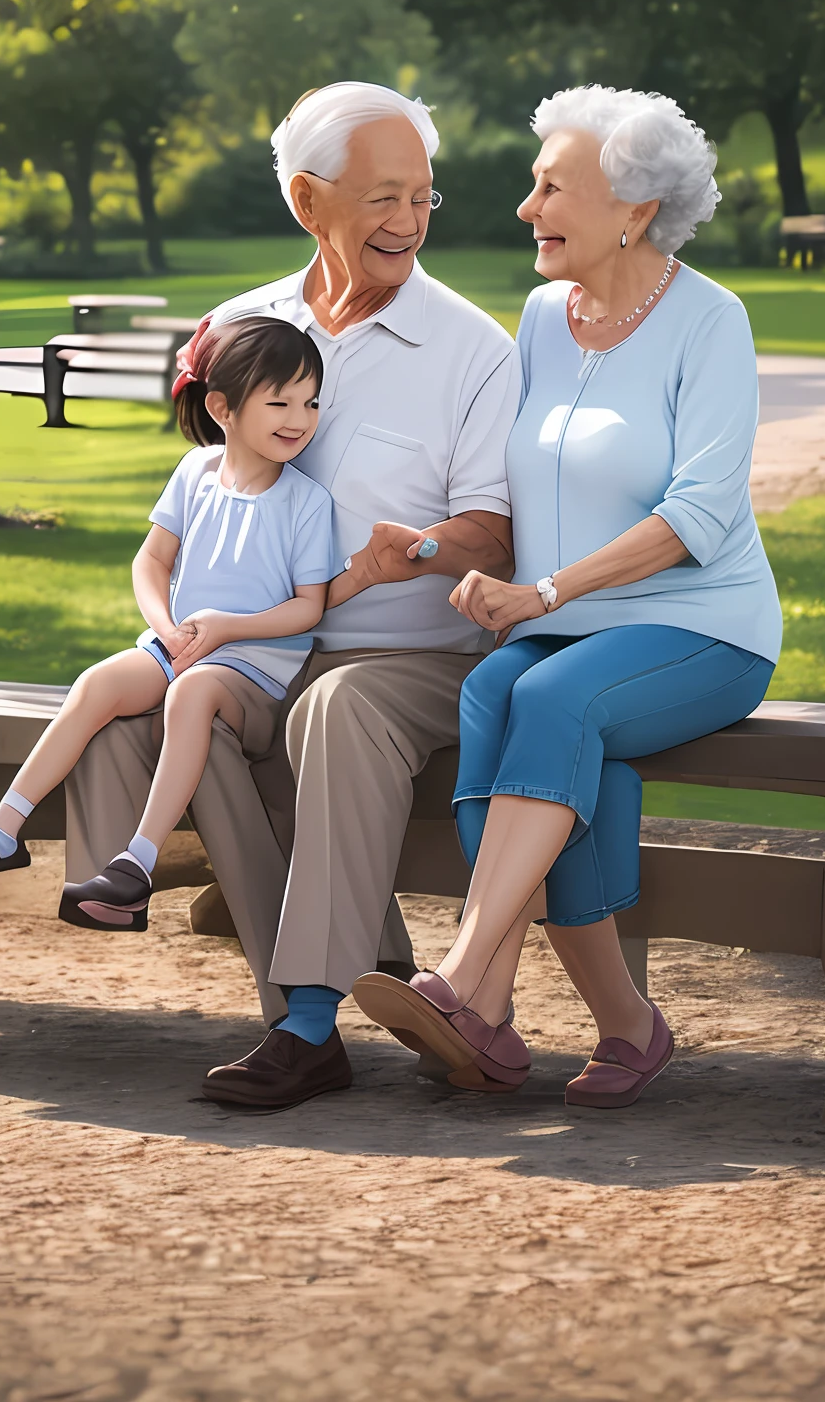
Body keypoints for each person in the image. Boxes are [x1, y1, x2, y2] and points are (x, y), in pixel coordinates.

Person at [64, 81, 521, 1109]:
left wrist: (419, 547)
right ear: (310, 202)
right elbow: (198, 498)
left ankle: (314, 1014)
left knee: (333, 705)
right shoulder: (238, 326)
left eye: (425, 198)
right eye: (383, 198)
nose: (408, 223)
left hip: (411, 657)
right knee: (181, 705)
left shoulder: (474, 350)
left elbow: (494, 530)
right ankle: (328, 992)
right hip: (267, 642)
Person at [353, 84, 781, 1109]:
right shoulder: (547, 316)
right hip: (572, 631)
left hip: (701, 627)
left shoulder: (711, 322)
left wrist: (547, 588)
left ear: (633, 208)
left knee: (552, 701)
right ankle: (618, 1023)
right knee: (497, 695)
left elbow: (699, 514)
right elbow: (528, 477)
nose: (524, 205)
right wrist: (431, 545)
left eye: (551, 185)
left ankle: (466, 982)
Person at [0, 316, 335, 935]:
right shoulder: (195, 472)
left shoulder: (307, 502)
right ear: (222, 408)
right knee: (97, 684)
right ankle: (4, 827)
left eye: (310, 402)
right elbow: (151, 560)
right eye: (279, 401)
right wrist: (167, 627)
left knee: (189, 693)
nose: (299, 418)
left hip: (254, 667)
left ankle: (136, 862)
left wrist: (228, 628)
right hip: (182, 644)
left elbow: (309, 606)